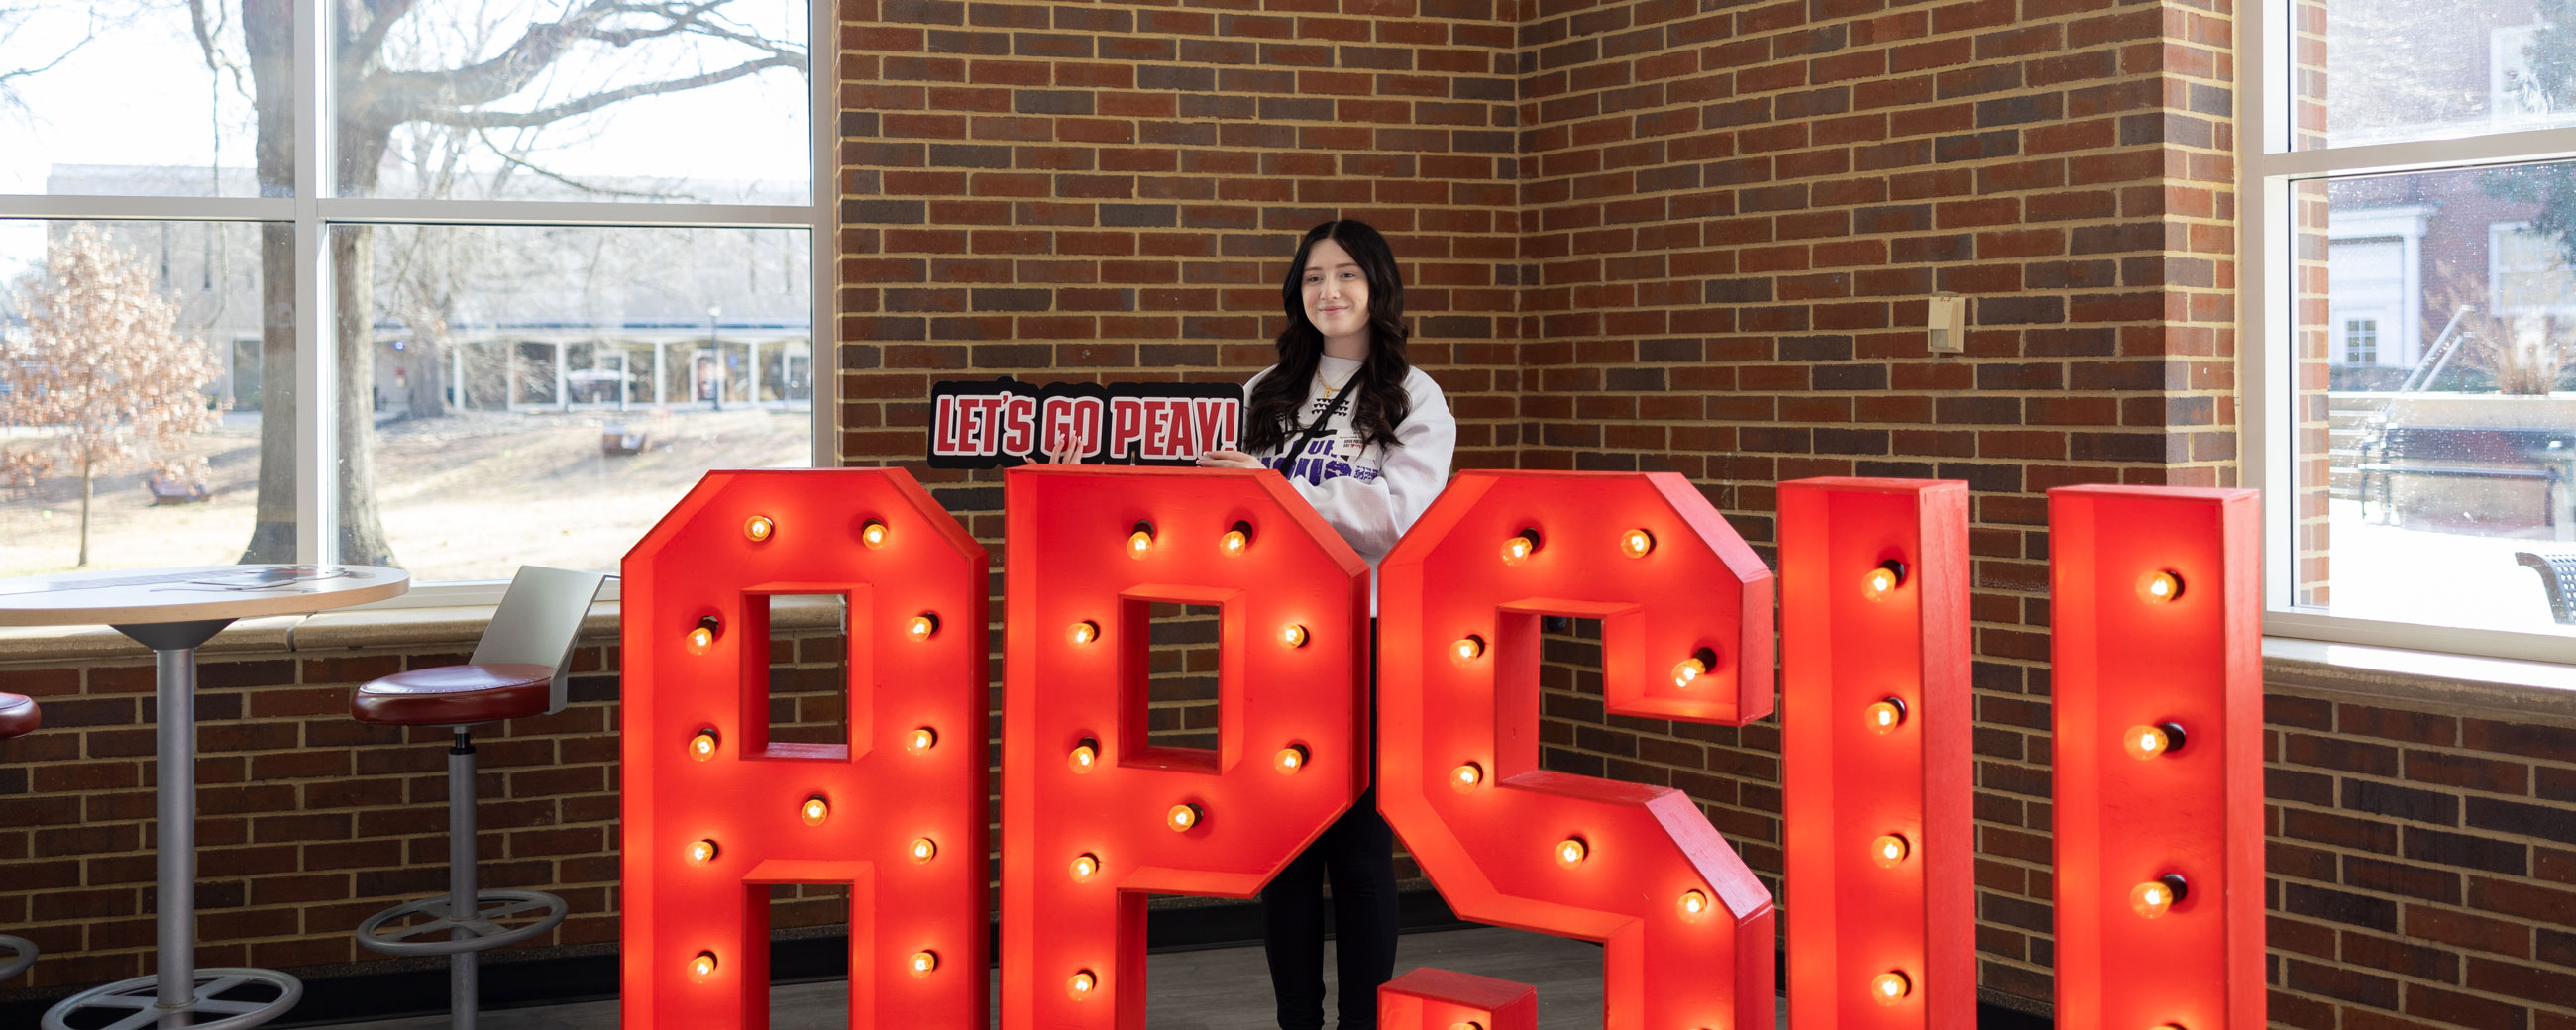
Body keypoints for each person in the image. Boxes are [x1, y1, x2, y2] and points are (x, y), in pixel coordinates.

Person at [1197, 219, 1455, 1030]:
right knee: (1287, 850)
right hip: (1271, 639)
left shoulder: (1414, 397)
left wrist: (1276, 487)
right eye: (1313, 278)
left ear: (1378, 286)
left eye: (1347, 275)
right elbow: (1212, 506)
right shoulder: (1262, 391)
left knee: (1360, 851)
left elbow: (1396, 521)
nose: (1330, 292)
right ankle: (1296, 1021)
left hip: (1367, 641)